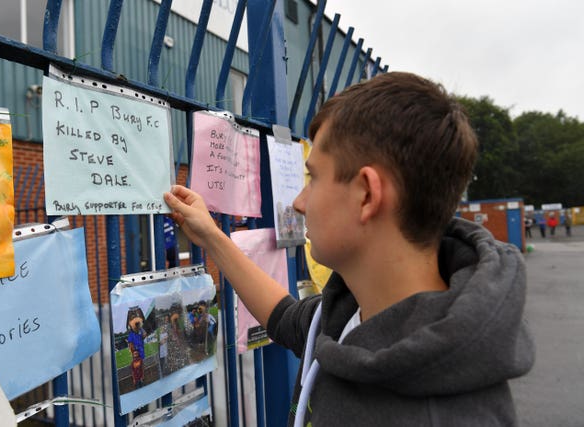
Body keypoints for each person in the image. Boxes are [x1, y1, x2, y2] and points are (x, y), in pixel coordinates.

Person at [164, 72, 535, 426]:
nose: (299, 202)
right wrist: (212, 235)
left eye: (315, 178)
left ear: (367, 194)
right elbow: (284, 317)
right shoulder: (352, 312)